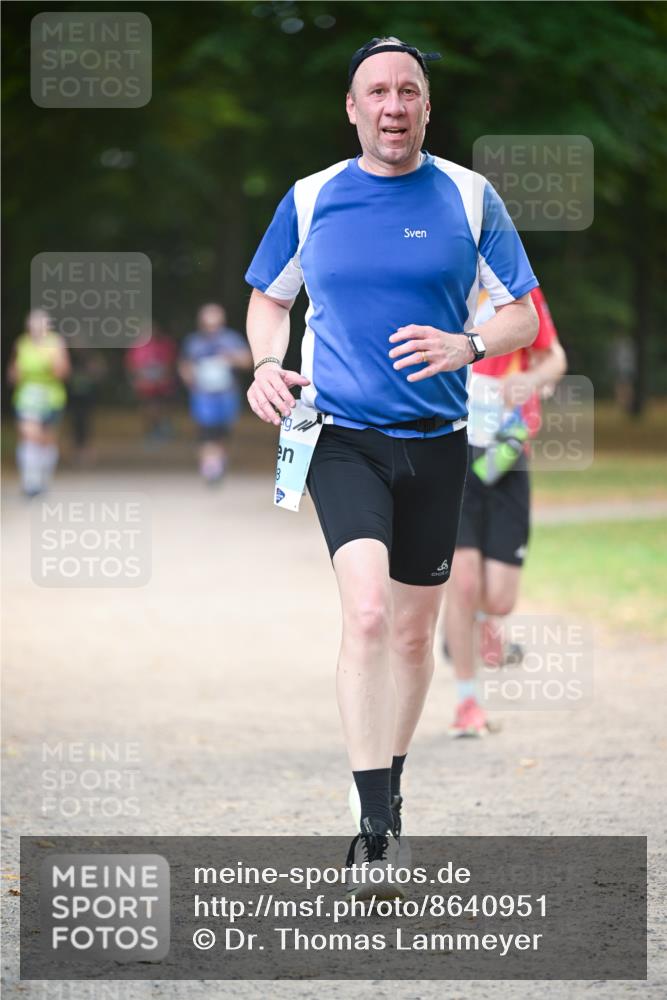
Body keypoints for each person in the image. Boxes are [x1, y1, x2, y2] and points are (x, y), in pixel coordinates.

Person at [244, 36, 539, 897]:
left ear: (425, 106)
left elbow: (521, 316)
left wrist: (467, 344)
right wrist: (264, 364)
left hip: (438, 440)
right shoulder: (310, 198)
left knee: (413, 633)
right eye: (376, 91)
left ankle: (390, 785)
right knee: (368, 613)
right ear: (352, 108)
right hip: (340, 436)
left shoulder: (469, 195)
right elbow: (268, 298)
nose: (393, 105)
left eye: (407, 90)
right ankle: (372, 829)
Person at [444, 286, 567, 737]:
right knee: (464, 583)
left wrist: (531, 381)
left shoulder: (517, 290)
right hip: (452, 449)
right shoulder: (442, 279)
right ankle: (466, 702)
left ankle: (471, 621)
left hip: (506, 451)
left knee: (499, 599)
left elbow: (554, 358)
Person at [178, 304, 252, 484]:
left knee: (223, 432)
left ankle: (218, 461)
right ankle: (210, 467)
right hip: (203, 396)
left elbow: (247, 361)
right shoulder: (193, 342)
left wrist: (231, 358)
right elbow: (184, 364)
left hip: (226, 395)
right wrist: (189, 377)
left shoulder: (231, 339)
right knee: (206, 432)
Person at [7, 309, 70, 496]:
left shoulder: (56, 343)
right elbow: (13, 374)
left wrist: (52, 362)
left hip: (51, 398)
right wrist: (16, 373)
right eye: (33, 324)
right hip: (27, 398)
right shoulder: (22, 343)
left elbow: (63, 373)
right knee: (29, 435)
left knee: (47, 440)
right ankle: (30, 481)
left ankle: (43, 479)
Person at [125, 325, 178, 446]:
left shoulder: (165, 344)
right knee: (149, 407)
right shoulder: (137, 346)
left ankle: (164, 427)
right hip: (145, 385)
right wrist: (137, 380)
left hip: (163, 384)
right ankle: (152, 430)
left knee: (164, 406)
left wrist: (166, 378)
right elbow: (132, 365)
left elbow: (170, 363)